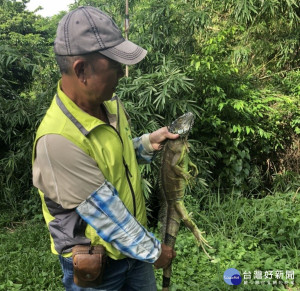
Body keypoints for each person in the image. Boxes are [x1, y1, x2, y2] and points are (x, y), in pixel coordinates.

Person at [32, 6, 177, 291]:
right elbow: (106, 215)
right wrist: (154, 251)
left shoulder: (111, 107)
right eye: (115, 67)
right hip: (97, 266)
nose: (123, 75)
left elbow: (113, 163)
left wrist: (147, 143)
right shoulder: (57, 140)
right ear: (82, 70)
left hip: (133, 253)